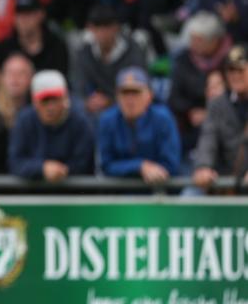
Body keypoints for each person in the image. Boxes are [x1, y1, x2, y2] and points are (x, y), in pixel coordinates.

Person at [98, 66, 180, 183]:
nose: (130, 99)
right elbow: (106, 165)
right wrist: (140, 166)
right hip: (118, 191)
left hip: (157, 189)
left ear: (149, 96)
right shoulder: (107, 120)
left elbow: (171, 164)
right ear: (117, 96)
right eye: (125, 93)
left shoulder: (163, 118)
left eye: (136, 92)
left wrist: (151, 170)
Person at [8, 70, 95, 181]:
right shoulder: (24, 121)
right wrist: (42, 168)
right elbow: (15, 162)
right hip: (32, 193)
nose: (50, 107)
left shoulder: (80, 121)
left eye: (55, 99)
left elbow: (84, 163)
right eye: (44, 100)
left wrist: (62, 170)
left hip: (73, 194)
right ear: (35, 102)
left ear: (65, 99)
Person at [169, 12, 232, 153]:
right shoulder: (183, 59)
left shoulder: (231, 60)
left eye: (198, 40)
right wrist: (190, 111)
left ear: (215, 41)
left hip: (226, 122)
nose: (192, 45)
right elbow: (174, 98)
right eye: (191, 39)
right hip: (190, 123)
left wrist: (209, 113)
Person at [73, 4, 147, 116]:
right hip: (93, 107)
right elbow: (78, 86)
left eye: (107, 26)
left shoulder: (133, 51)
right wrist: (87, 102)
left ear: (116, 27)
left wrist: (111, 101)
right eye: (97, 27)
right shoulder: (84, 52)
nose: (102, 32)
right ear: (90, 28)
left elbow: (141, 87)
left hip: (126, 106)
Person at [192, 45, 248, 190]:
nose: (235, 76)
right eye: (231, 70)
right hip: (226, 183)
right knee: (189, 195)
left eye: (240, 70)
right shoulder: (217, 104)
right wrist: (203, 166)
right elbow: (208, 137)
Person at [0, 0, 69, 75]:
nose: (23, 20)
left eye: (28, 14)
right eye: (18, 14)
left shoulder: (56, 46)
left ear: (41, 15)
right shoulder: (5, 48)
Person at [2, 52, 34, 118]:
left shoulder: (37, 111)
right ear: (1, 77)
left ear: (31, 78)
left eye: (21, 73)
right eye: (10, 72)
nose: (15, 78)